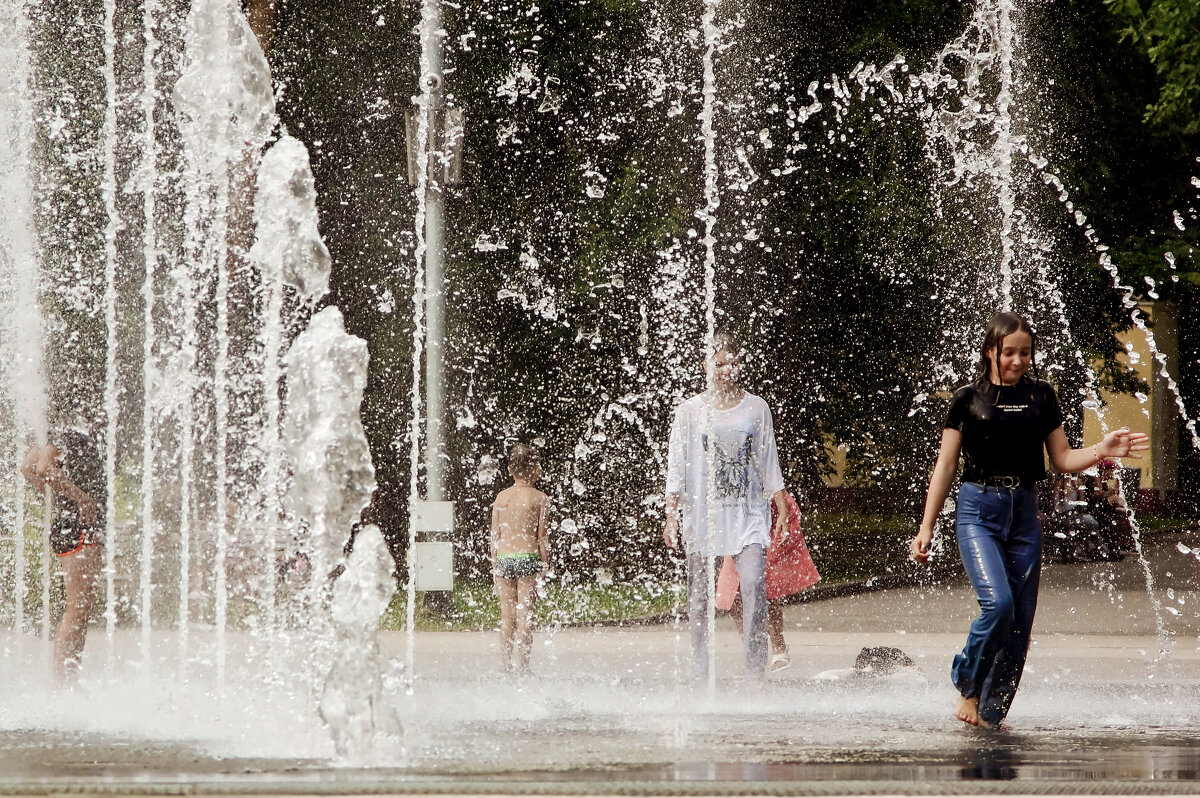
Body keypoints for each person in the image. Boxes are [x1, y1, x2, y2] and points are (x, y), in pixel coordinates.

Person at [910, 311, 1148, 728]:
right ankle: (967, 686)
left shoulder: (1042, 397)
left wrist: (1103, 449)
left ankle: (990, 714)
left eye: (1025, 353)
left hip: (1023, 512)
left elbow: (1062, 460)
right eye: (1009, 353)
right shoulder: (967, 399)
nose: (1018, 361)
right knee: (997, 605)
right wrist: (927, 525)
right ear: (991, 352)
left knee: (1020, 625)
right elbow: (946, 465)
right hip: (977, 509)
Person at [664, 331, 787, 681]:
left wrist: (779, 505)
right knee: (699, 597)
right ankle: (700, 668)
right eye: (719, 363)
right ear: (706, 366)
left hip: (748, 514)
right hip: (704, 516)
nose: (727, 369)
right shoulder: (690, 411)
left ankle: (754, 669)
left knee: (753, 585)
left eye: (733, 362)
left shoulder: (756, 407)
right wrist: (671, 514)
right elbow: (677, 465)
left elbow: (768, 460)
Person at [21, 429, 105, 685]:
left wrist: (59, 501)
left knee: (77, 607)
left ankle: (67, 680)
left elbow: (27, 468)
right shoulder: (72, 429)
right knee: (78, 608)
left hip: (68, 524)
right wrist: (81, 500)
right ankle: (65, 684)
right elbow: (43, 468)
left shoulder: (52, 431)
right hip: (82, 526)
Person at [490, 443, 549, 674]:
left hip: (505, 557)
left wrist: (495, 563)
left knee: (507, 615)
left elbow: (495, 535)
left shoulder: (501, 497)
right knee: (525, 615)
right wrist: (545, 562)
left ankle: (506, 666)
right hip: (527, 557)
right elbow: (541, 537)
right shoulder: (540, 498)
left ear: (509, 470)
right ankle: (524, 666)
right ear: (534, 468)